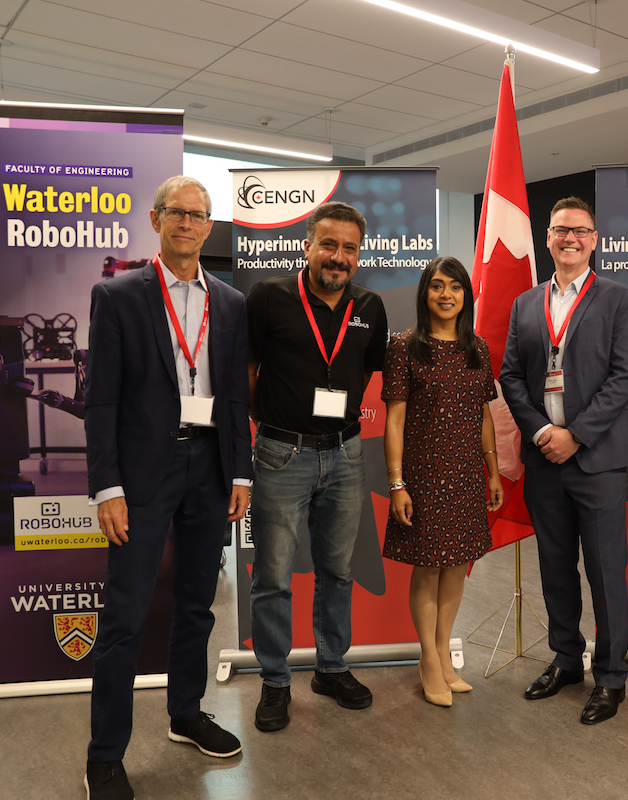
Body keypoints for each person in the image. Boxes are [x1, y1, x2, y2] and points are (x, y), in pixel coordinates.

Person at [84, 176, 252, 799]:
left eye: (199, 215)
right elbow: (98, 399)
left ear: (210, 227)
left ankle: (185, 712)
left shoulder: (232, 302)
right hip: (144, 476)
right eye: (176, 213)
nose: (187, 223)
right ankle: (105, 753)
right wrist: (107, 487)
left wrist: (241, 472)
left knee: (196, 604)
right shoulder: (119, 295)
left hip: (209, 471)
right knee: (125, 616)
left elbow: (234, 394)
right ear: (156, 220)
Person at [500, 196, 628, 725]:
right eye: (561, 230)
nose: (570, 239)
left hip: (597, 459)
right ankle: (565, 659)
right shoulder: (526, 303)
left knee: (606, 573)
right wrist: (541, 431)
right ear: (548, 237)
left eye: (580, 231)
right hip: (544, 460)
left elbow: (625, 376)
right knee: (554, 567)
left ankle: (611, 678)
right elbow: (511, 376)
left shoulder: (618, 298)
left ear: (594, 239)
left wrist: (575, 436)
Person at [247, 202, 389, 732]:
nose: (338, 256)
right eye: (328, 244)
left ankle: (331, 667)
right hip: (282, 454)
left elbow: (368, 371)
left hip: (347, 453)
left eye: (349, 248)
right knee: (274, 575)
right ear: (307, 245)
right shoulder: (269, 298)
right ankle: (275, 680)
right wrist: (265, 427)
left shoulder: (370, 306)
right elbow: (248, 371)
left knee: (337, 569)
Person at [382, 256, 504, 707]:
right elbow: (394, 421)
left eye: (455, 287)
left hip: (467, 472)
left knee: (457, 565)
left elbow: (485, 414)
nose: (446, 295)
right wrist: (397, 484)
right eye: (437, 286)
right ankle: (428, 659)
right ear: (424, 294)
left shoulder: (478, 348)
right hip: (424, 474)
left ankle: (443, 650)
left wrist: (493, 471)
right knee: (429, 564)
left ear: (465, 295)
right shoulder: (405, 346)